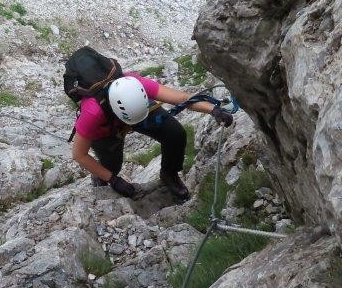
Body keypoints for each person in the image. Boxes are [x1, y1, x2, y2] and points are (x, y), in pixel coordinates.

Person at [72, 73, 233, 200]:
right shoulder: (92, 114)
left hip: (140, 111)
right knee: (112, 166)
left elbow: (182, 98)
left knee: (174, 133)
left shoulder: (136, 85)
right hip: (106, 129)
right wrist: (113, 180)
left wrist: (213, 110)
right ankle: (100, 181)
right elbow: (79, 155)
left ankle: (169, 174)